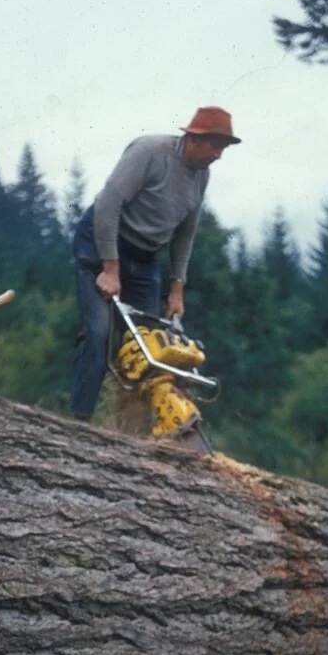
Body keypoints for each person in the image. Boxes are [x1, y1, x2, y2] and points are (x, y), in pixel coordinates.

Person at [69, 106, 241, 421]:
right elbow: (108, 203)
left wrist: (177, 291)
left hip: (146, 258)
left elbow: (185, 233)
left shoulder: (201, 175)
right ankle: (78, 421)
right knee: (100, 332)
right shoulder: (150, 152)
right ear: (195, 138)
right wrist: (110, 268)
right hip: (102, 242)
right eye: (216, 145)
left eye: (223, 148)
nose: (219, 154)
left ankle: (135, 431)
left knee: (150, 347)